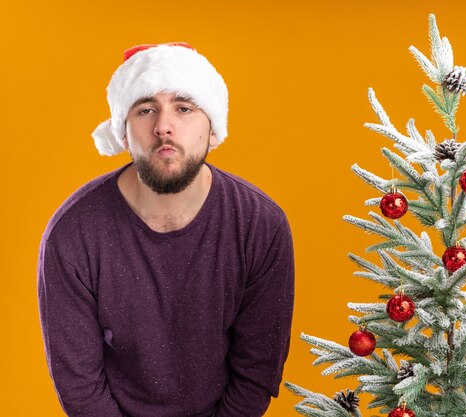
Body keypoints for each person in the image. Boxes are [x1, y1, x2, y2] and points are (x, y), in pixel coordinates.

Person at [37, 42, 295, 417]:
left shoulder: (261, 226)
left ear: (215, 132)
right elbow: (79, 386)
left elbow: (257, 373)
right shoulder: (72, 233)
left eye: (184, 108)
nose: (163, 126)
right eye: (145, 109)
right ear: (123, 134)